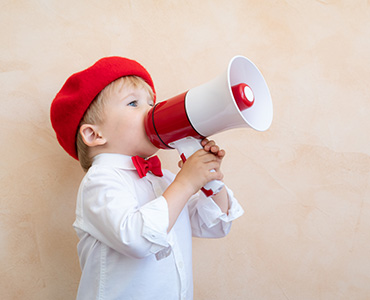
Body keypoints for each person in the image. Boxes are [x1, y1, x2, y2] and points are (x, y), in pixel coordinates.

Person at [50, 56, 244, 300]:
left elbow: (214, 225)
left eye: (151, 102)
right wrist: (186, 183)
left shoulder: (165, 180)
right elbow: (136, 239)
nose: (151, 110)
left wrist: (210, 180)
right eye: (133, 103)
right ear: (94, 134)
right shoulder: (99, 182)